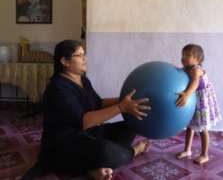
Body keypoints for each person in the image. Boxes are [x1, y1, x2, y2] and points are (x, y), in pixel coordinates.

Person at [39, 40, 151, 180]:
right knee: (105, 151)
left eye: (84, 54)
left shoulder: (83, 80)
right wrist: (122, 107)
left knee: (130, 126)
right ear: (65, 61)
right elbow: (85, 121)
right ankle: (132, 152)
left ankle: (94, 167)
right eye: (79, 55)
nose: (85, 59)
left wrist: (123, 99)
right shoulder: (57, 88)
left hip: (88, 135)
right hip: (65, 145)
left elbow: (98, 103)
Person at [175, 44, 221, 165]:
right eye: (182, 55)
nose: (183, 57)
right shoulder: (187, 68)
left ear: (197, 59)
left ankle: (204, 155)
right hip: (193, 99)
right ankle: (187, 150)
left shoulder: (196, 69)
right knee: (189, 126)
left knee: (202, 129)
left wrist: (186, 94)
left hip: (201, 101)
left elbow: (195, 83)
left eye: (187, 55)